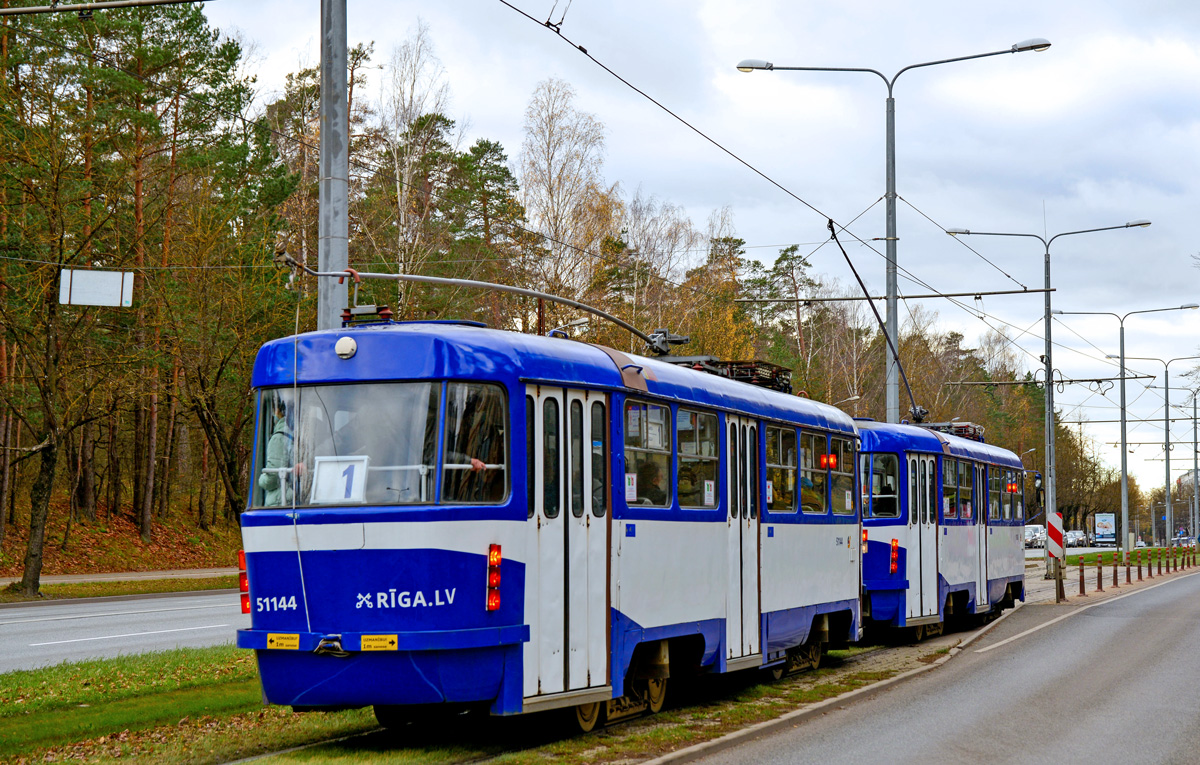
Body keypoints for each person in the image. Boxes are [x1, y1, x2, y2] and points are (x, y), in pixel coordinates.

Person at [260, 390, 301, 506]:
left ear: (278, 411)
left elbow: (272, 479)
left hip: (280, 501)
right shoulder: (298, 433)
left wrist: (261, 480)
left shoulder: (279, 436)